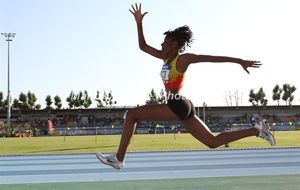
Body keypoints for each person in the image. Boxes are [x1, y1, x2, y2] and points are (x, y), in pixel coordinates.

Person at [96, 3, 275, 170]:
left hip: (176, 104)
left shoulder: (182, 59)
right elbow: (143, 46)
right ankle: (257, 130)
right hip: (182, 106)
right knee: (212, 142)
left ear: (174, 44)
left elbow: (210, 58)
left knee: (132, 115)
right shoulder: (165, 57)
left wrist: (240, 61)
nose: (161, 44)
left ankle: (119, 159)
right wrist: (139, 23)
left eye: (165, 42)